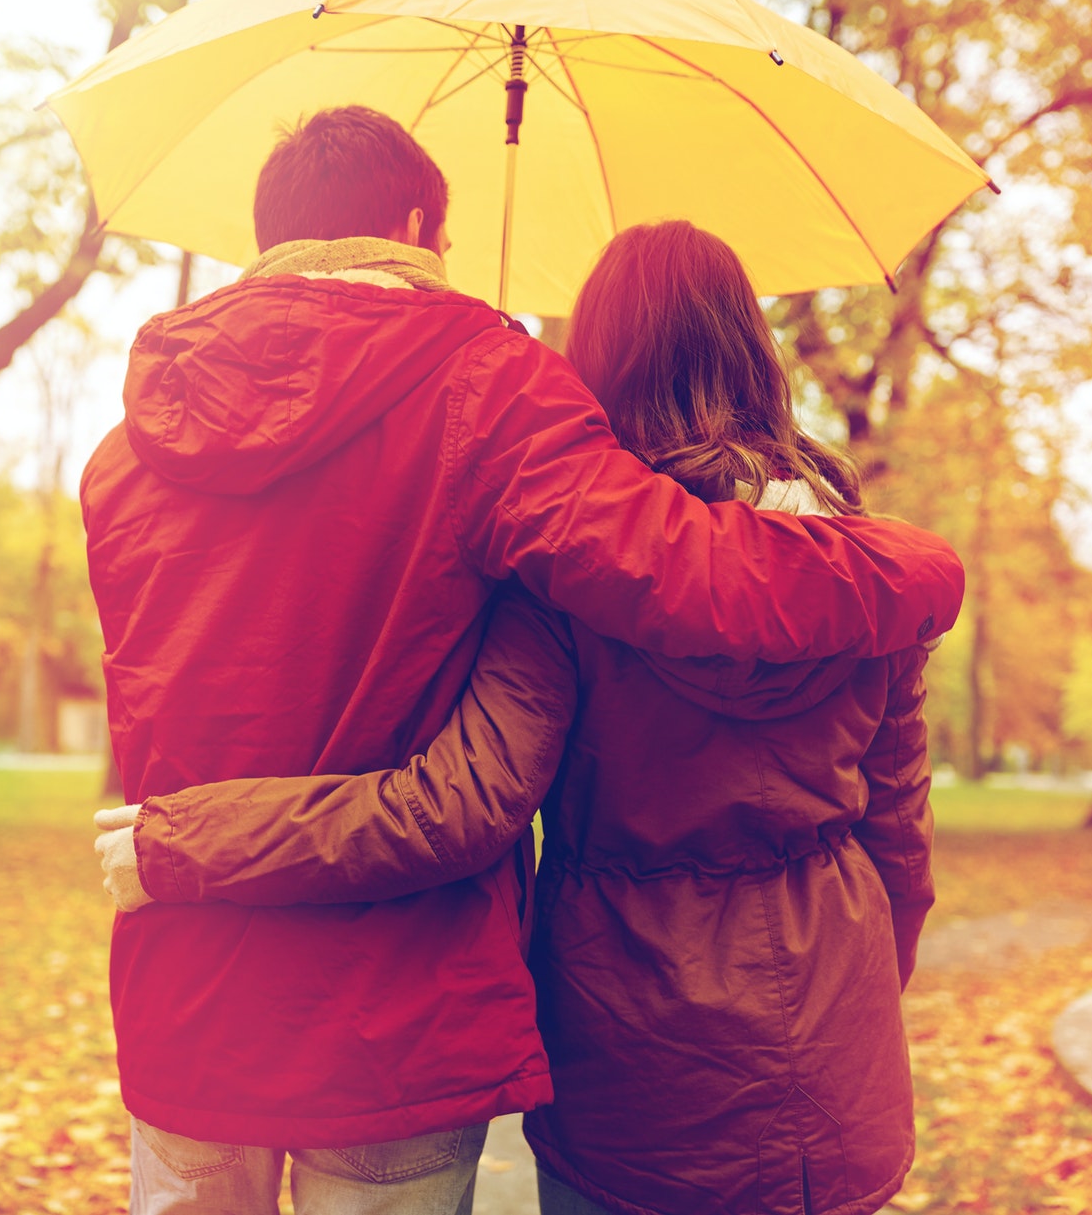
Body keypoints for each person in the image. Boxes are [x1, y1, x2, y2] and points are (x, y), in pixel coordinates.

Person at [85, 107, 958, 1215]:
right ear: (414, 224)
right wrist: (907, 574)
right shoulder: (502, 414)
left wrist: (182, 841)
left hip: (205, 993)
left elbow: (446, 782)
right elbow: (893, 827)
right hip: (419, 1016)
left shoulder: (126, 449)